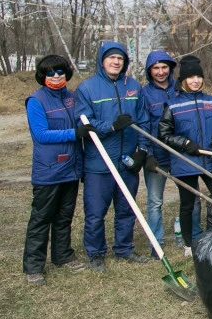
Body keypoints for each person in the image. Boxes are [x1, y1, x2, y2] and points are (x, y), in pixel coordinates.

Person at [75, 41, 150, 272]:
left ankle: (124, 248)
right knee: (96, 212)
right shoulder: (87, 89)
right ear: (102, 60)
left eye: (120, 58)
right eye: (111, 58)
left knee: (126, 208)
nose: (116, 62)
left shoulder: (134, 87)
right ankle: (96, 253)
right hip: (99, 163)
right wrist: (112, 126)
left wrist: (142, 151)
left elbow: (144, 121)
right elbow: (84, 121)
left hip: (127, 161)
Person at [23, 55, 91, 285]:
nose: (55, 77)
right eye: (50, 73)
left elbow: (82, 120)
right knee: (42, 218)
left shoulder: (71, 98)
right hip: (49, 170)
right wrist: (74, 134)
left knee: (64, 216)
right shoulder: (36, 101)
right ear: (42, 75)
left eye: (60, 72)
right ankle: (34, 266)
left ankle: (63, 255)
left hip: (71, 169)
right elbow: (41, 134)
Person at [157, 56, 212, 258]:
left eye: (198, 76)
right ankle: (189, 243)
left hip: (211, 159)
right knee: (188, 203)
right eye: (190, 77)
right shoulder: (173, 105)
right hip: (185, 161)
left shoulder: (211, 101)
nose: (195, 80)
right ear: (183, 80)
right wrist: (185, 144)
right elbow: (164, 134)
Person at [140, 50, 179, 252]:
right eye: (156, 68)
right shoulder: (144, 94)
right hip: (157, 156)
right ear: (150, 71)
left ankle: (190, 235)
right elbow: (143, 126)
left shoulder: (180, 89)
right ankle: (156, 241)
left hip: (180, 155)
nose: (161, 72)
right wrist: (148, 154)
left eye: (164, 67)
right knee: (155, 201)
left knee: (189, 197)